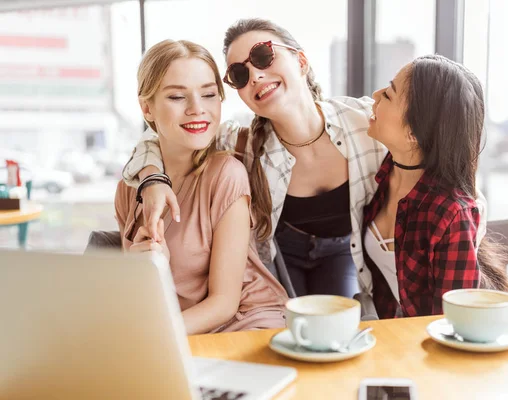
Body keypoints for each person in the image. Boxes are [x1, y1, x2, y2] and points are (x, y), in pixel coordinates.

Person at [121, 19, 487, 300]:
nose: (256, 75)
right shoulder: (239, 142)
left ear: (300, 61)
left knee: (338, 324)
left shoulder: (369, 124)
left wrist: (470, 217)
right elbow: (158, 136)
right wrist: (153, 179)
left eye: (264, 56)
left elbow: (443, 167)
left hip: (344, 250)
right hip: (283, 252)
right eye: (239, 74)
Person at [115, 39, 287, 334]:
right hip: (181, 331)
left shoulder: (226, 174)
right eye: (177, 97)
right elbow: (147, 299)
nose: (198, 109)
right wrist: (144, 270)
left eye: (209, 94)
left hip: (245, 324)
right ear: (147, 109)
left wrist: (151, 338)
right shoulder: (131, 189)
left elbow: (224, 303)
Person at [363, 55, 508, 318]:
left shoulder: (451, 213)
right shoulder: (381, 171)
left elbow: (454, 324)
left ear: (414, 133)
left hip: (433, 347)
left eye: (388, 95)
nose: (375, 95)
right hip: (392, 336)